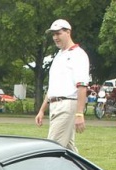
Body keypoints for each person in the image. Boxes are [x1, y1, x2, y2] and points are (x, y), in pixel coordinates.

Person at [35, 19, 90, 152]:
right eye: (53, 34)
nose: (55, 37)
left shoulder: (78, 55)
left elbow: (82, 86)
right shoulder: (59, 55)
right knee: (69, 152)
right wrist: (42, 110)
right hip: (56, 106)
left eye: (58, 33)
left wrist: (79, 113)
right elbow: (53, 87)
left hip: (67, 105)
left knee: (51, 149)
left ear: (68, 32)